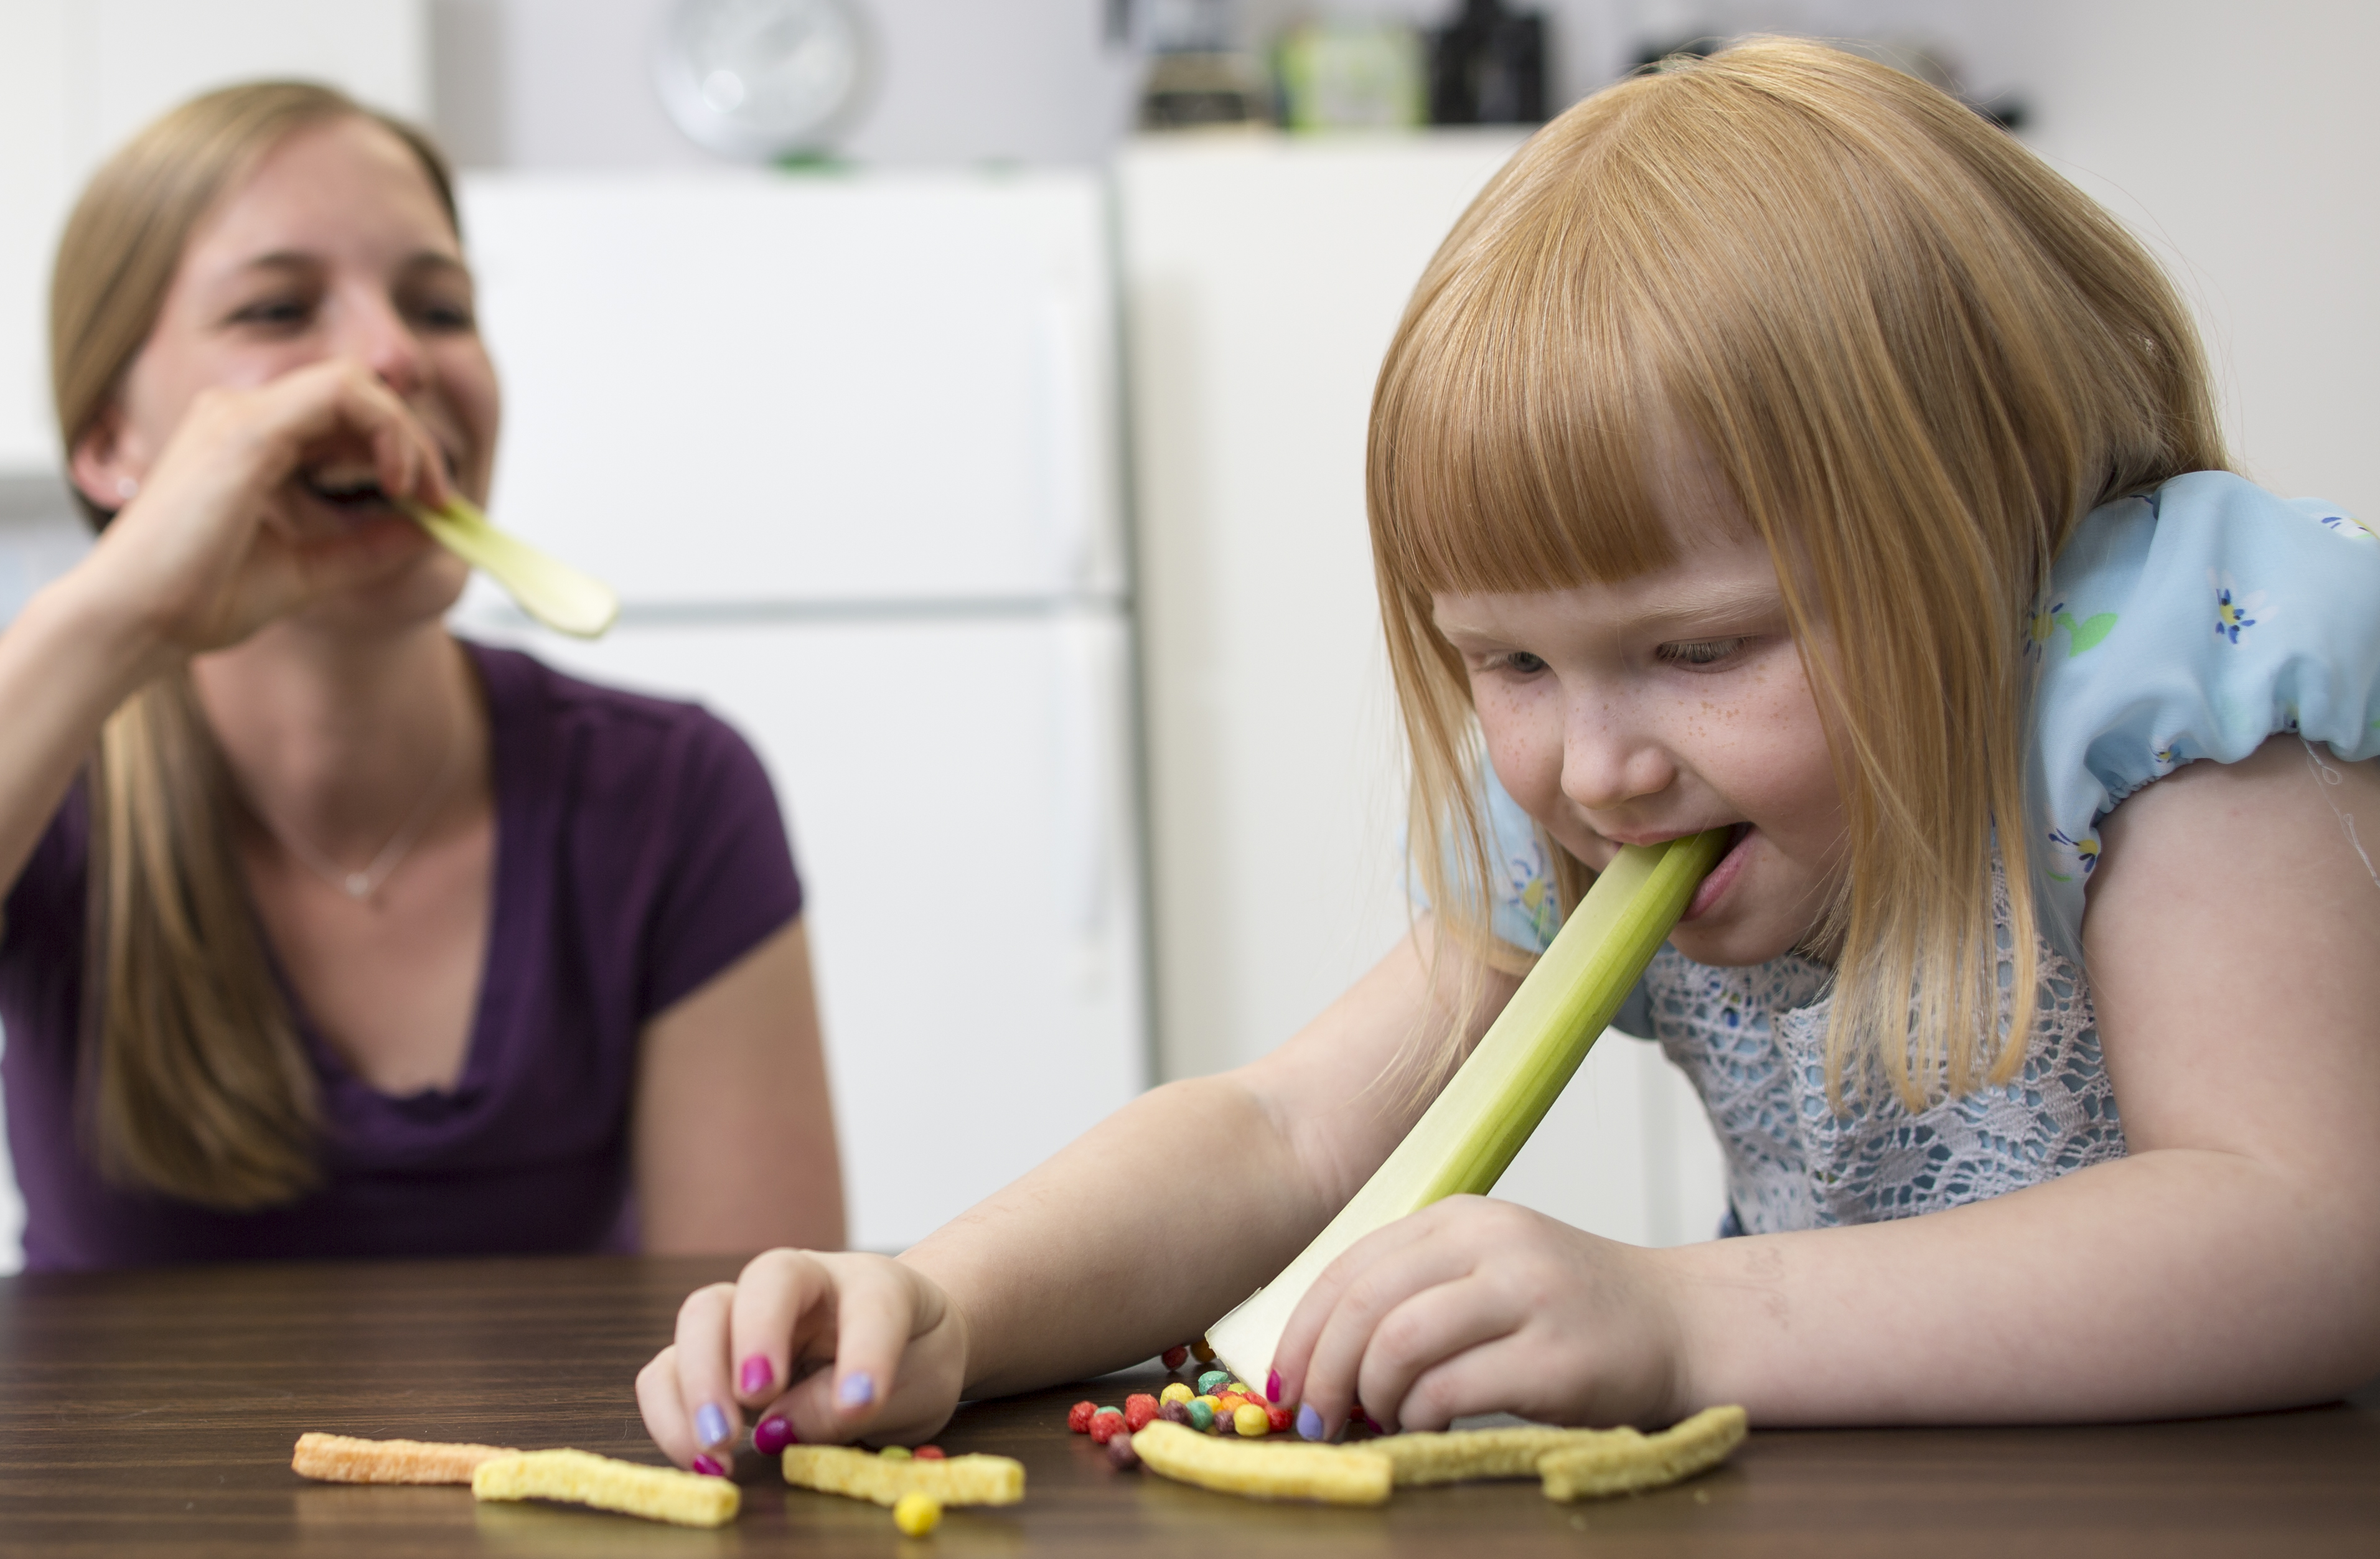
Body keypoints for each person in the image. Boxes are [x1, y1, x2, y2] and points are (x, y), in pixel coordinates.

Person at [635, 38, 2380, 1472]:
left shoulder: (2154, 700)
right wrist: (945, 1299)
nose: (1603, 765)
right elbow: (1280, 1132)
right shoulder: (1616, 813)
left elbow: (2303, 1231)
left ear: (1987, 543)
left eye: (1700, 649)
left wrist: (1684, 1317)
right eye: (1513, 663)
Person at [0, 83, 844, 1342]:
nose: (396, 357)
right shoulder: (6, 750)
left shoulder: (671, 789)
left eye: (440, 305)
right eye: (278, 308)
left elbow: (764, 1372)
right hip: (120, 1537)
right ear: (112, 444)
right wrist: (111, 618)